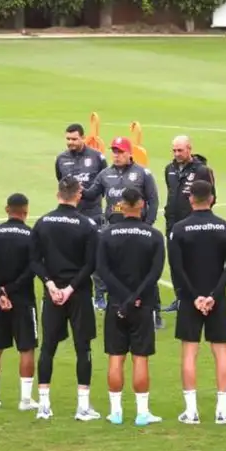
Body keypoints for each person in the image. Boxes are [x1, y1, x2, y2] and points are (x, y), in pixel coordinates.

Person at [30, 178, 101, 421]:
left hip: (52, 295)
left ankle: (44, 405)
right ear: (78, 195)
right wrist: (70, 288)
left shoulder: (43, 222)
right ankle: (82, 407)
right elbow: (91, 263)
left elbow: (33, 260)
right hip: (78, 293)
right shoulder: (87, 224)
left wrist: (50, 284)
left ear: (58, 193)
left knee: (48, 347)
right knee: (83, 347)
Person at [168, 180, 226, 425]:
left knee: (189, 352)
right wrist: (213, 295)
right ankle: (222, 411)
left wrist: (195, 296)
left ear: (190, 199)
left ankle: (191, 411)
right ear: (212, 198)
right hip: (216, 298)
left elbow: (177, 268)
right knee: (221, 351)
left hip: (190, 300)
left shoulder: (179, 228)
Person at [96, 188, 166, 426]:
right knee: (140, 358)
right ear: (143, 205)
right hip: (142, 304)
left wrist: (123, 296)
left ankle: (116, 413)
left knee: (115, 358)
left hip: (116, 303)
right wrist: (136, 296)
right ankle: (142, 413)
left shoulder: (107, 234)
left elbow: (103, 271)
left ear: (121, 206)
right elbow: (155, 273)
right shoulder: (154, 236)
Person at [82, 136, 159, 320]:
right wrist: (79, 190)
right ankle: (110, 303)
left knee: (144, 270)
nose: (116, 156)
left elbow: (153, 201)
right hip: (112, 230)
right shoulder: (105, 174)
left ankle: (154, 310)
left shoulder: (142, 174)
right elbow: (92, 194)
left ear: (129, 153)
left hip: (137, 229)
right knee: (107, 269)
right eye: (114, 152)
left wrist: (147, 226)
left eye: (120, 152)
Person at [0, 193, 39, 411]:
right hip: (23, 299)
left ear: (7, 209)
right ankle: (25, 400)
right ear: (26, 211)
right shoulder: (31, 235)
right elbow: (32, 269)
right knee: (27, 348)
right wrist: (11, 290)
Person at [162, 135, 215, 314]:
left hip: (194, 224)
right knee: (176, 262)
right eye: (174, 150)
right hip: (172, 224)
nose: (177, 154)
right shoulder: (169, 169)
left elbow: (211, 197)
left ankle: (199, 296)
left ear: (189, 149)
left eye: (180, 150)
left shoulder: (202, 170)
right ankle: (180, 298)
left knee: (195, 261)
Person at [55, 123, 107, 221]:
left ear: (83, 138)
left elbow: (105, 181)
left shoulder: (97, 157)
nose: (70, 142)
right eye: (68, 139)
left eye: (74, 139)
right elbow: (61, 181)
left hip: (92, 213)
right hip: (69, 214)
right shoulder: (61, 159)